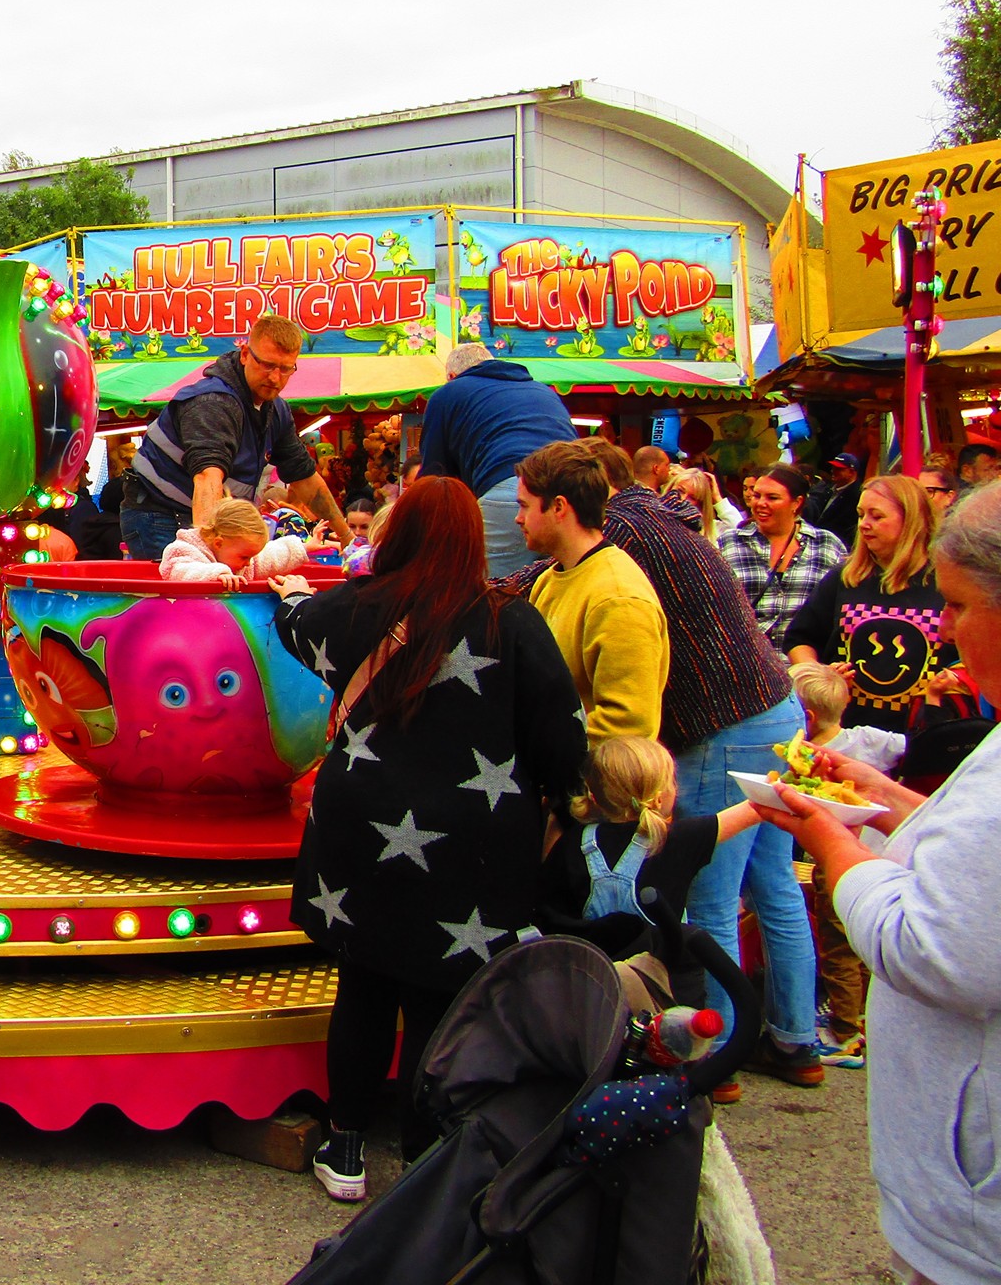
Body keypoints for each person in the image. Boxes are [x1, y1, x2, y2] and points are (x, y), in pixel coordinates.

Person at [270, 477, 587, 1201]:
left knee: (363, 985)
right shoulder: (513, 620)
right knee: (439, 1001)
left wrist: (290, 592)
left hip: (361, 827)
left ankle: (346, 1146)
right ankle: (424, 1155)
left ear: (399, 531)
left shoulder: (360, 606)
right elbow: (562, 740)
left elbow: (296, 623)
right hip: (476, 842)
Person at [758, 479, 1001, 1285]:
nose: (948, 632)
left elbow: (934, 947)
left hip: (974, 1218)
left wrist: (833, 843)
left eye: (958, 608)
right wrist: (888, 802)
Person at [561, 438, 817, 1092]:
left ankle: (715, 1053)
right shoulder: (663, 514)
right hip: (776, 706)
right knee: (776, 886)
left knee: (710, 898)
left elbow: (541, 571)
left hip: (721, 723)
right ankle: (795, 1041)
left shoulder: (619, 529)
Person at [121, 315, 347, 561]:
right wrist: (209, 559)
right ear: (245, 354)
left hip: (203, 516)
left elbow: (304, 477)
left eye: (285, 369)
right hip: (159, 515)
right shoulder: (212, 403)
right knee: (197, 580)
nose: (275, 377)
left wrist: (347, 538)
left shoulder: (276, 411)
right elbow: (207, 478)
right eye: (267, 365)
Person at [514, 441, 669, 742]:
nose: (518, 518)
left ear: (558, 507)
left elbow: (628, 727)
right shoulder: (551, 579)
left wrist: (540, 749)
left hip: (593, 772)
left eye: (524, 505)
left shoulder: (618, 599)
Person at [789, 661, 902, 1069]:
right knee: (869, 945)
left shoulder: (807, 758)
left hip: (836, 862)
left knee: (839, 948)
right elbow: (910, 745)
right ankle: (865, 1019)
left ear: (807, 717)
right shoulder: (869, 739)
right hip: (882, 854)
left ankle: (843, 1032)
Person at [786, 474, 958, 736]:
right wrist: (821, 676)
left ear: (911, 521)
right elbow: (799, 639)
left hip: (926, 732)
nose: (864, 524)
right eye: (860, 515)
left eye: (877, 516)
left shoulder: (946, 581)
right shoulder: (845, 577)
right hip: (845, 732)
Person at [540, 736, 763, 936]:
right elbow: (757, 807)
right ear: (658, 799)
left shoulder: (572, 843)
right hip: (658, 966)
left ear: (594, 797)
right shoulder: (677, 839)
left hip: (593, 966)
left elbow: (550, 912)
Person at [417, 343, 577, 580]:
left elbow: (435, 477)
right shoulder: (543, 390)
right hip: (573, 494)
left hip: (511, 490)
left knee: (494, 593)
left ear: (451, 376)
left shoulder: (449, 393)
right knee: (561, 589)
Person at [719, 464, 849, 647]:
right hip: (745, 658)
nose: (760, 503)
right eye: (756, 495)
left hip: (804, 661)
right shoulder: (728, 543)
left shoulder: (827, 546)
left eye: (772, 497)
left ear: (797, 503)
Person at [158, 496, 318, 589]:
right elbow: (182, 572)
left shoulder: (238, 556)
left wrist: (303, 548)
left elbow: (271, 556)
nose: (248, 563)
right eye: (244, 557)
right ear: (218, 543)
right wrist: (218, 574)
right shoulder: (184, 550)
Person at [808, 451, 865, 549]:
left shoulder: (858, 496)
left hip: (835, 547)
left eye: (839, 469)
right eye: (833, 467)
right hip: (817, 542)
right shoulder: (828, 489)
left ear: (851, 472)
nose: (833, 471)